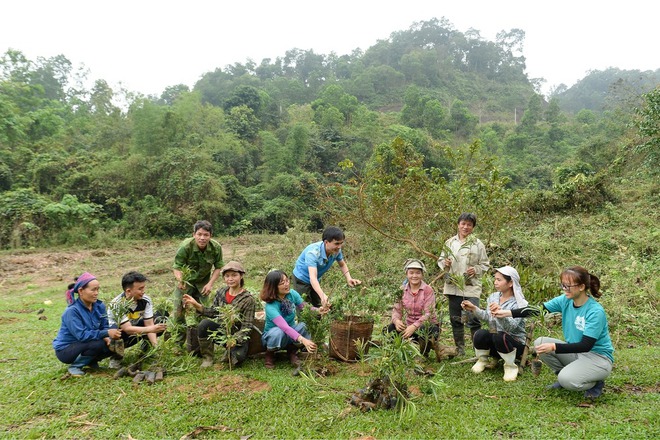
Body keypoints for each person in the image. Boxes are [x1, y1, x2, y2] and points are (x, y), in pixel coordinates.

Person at [493, 266, 614, 399]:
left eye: (568, 286)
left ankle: (595, 383)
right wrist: (507, 313)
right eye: (563, 285)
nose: (564, 289)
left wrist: (554, 347)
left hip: (597, 358)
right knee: (541, 342)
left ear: (581, 287)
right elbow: (538, 310)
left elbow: (586, 345)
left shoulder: (595, 311)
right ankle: (567, 374)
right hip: (576, 354)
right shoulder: (565, 300)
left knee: (567, 379)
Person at [183, 261, 257, 368]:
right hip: (223, 332)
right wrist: (196, 305)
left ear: (241, 276)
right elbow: (214, 312)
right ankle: (207, 358)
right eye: (227, 276)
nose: (230, 279)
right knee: (204, 325)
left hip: (237, 336)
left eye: (234, 275)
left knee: (238, 357)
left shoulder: (248, 299)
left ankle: (231, 352)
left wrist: (235, 340)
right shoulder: (222, 292)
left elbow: (247, 326)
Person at [461, 266, 528, 381]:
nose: (495, 282)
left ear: (510, 283)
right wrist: (474, 309)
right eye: (495, 279)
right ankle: (482, 360)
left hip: (514, 345)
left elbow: (510, 327)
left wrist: (500, 313)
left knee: (499, 336)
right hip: (497, 340)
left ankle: (510, 366)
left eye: (499, 280)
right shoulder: (493, 297)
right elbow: (488, 317)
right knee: (480, 334)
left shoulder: (520, 304)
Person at [437, 213, 490, 356]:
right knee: (456, 319)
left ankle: (478, 350)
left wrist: (476, 269)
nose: (465, 227)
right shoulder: (449, 242)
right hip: (453, 286)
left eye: (469, 225)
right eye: (463, 224)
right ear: (458, 224)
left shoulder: (478, 244)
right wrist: (445, 263)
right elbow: (441, 260)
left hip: (470, 286)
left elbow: (485, 264)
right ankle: (460, 350)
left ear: (473, 227)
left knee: (473, 319)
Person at [52, 272, 123, 376]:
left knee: (113, 342)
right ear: (81, 291)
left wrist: (108, 337)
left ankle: (90, 361)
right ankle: (75, 366)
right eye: (93, 289)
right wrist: (106, 333)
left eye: (98, 289)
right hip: (66, 350)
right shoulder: (72, 311)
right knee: (97, 343)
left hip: (85, 343)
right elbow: (82, 336)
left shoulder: (99, 306)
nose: (96, 293)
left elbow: (104, 325)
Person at [172, 220, 224, 346]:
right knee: (179, 311)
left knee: (204, 311)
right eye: (199, 234)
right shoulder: (185, 247)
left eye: (206, 235)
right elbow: (177, 267)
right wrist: (180, 280)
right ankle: (178, 343)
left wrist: (210, 284)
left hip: (203, 283)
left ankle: (202, 342)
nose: (202, 238)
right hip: (185, 283)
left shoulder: (216, 248)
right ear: (194, 234)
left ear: (210, 235)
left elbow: (218, 267)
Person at [260, 270, 320, 369]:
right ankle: (270, 354)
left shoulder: (292, 294)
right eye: (282, 283)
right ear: (273, 287)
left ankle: (292, 351)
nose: (286, 284)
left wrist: (319, 310)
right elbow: (284, 327)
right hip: (273, 337)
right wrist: (303, 340)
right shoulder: (270, 306)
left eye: (287, 281)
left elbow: (306, 308)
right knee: (278, 332)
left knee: (304, 325)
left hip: (291, 334)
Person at [107, 271, 168, 369]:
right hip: (121, 334)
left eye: (144, 287)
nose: (143, 291)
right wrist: (152, 329)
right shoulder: (117, 304)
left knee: (159, 319)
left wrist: (156, 347)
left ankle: (147, 350)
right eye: (140, 289)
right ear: (128, 291)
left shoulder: (146, 300)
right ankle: (116, 357)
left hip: (134, 330)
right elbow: (127, 329)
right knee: (118, 333)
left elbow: (149, 324)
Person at [292, 226, 361, 308]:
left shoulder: (336, 250)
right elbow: (312, 277)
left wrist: (349, 278)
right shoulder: (313, 253)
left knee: (318, 305)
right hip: (302, 279)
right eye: (336, 243)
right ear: (326, 242)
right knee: (304, 306)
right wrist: (322, 295)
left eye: (341, 243)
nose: (339, 246)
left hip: (315, 279)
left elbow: (342, 264)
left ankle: (319, 319)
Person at [384, 259, 439, 355]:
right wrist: (397, 321)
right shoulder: (401, 290)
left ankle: (423, 352)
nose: (414, 276)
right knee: (390, 328)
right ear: (407, 274)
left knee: (427, 329)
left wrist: (414, 326)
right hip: (408, 327)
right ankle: (399, 351)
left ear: (422, 275)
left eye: (418, 273)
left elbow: (429, 314)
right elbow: (396, 310)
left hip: (424, 327)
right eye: (411, 273)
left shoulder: (427, 290)